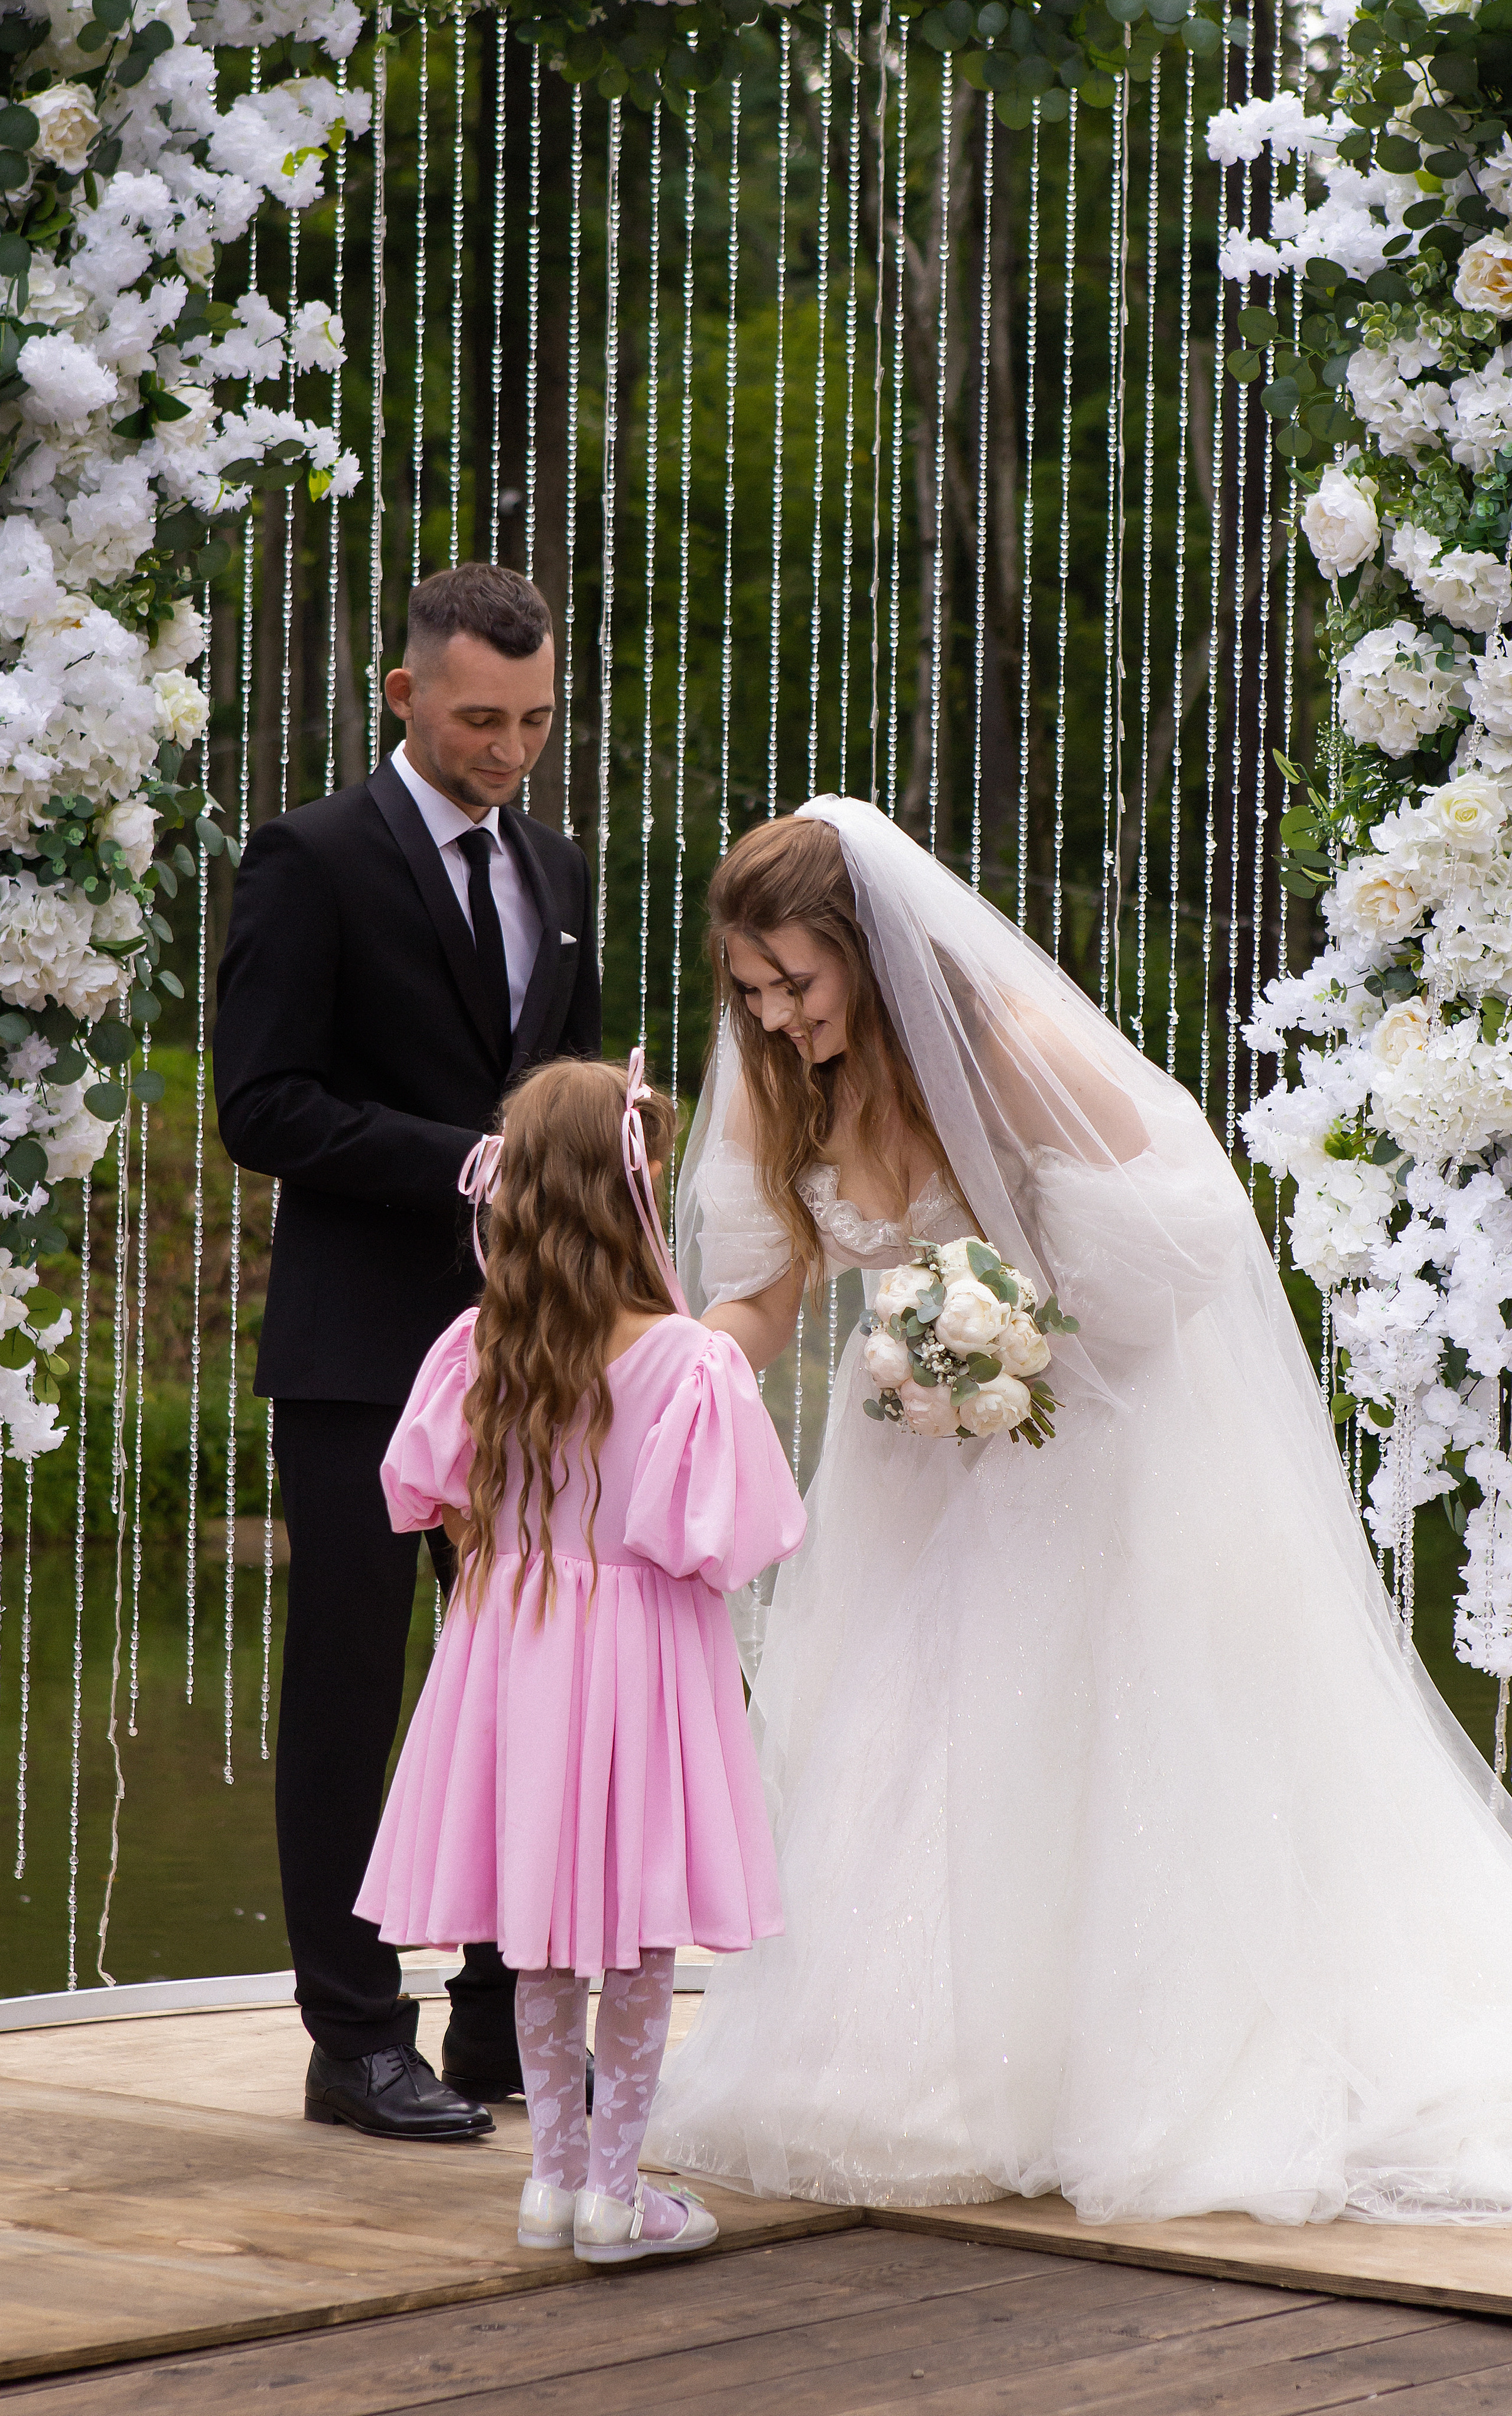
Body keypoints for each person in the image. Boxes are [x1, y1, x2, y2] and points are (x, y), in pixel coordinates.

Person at [647, 795, 1512, 2226]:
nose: (774, 1013)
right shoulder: (780, 1079)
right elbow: (762, 1293)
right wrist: (658, 1372)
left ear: (865, 951)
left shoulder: (1017, 1059)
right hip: (906, 1460)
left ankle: (1080, 2069)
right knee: (890, 1737)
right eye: (748, 988)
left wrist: (1008, 1334)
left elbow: (1183, 1242)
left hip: (1071, 1456)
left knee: (1062, 1737)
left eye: (794, 979)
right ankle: (901, 2072)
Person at [214, 562, 600, 2140]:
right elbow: (263, 1105)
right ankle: (351, 2036)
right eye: (479, 719)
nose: (510, 748)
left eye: (534, 720)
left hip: (531, 1353)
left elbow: (560, 1094)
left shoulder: (559, 867)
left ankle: (501, 2018)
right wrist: (465, 1160)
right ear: (404, 696)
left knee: (528, 1681)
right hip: (361, 1353)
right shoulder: (308, 858)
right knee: (354, 1686)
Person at [356, 1055, 806, 2261]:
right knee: (635, 1929)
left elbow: (441, 1506)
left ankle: (549, 2181)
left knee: (542, 1923)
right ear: (630, 1186)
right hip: (641, 1651)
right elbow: (729, 1538)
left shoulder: (477, 1345)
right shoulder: (687, 1360)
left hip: (516, 1642)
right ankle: (618, 2189)